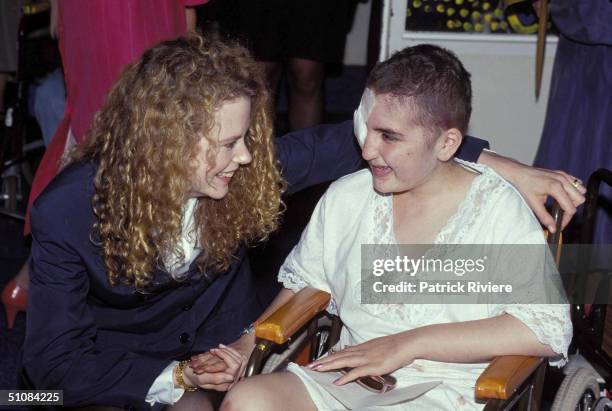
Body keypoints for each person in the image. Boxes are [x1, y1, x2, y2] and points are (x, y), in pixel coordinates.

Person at [23, 34, 584, 410]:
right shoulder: (68, 213)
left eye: (248, 139)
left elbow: (374, 136)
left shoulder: (242, 173)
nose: (247, 158)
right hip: (102, 374)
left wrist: (504, 166)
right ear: (167, 145)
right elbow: (52, 363)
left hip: (223, 366)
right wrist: (182, 375)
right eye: (229, 143)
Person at [218, 45, 574, 410]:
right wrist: (248, 342)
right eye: (364, 127)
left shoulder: (496, 211)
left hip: (447, 391)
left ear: (447, 143)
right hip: (349, 379)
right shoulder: (348, 198)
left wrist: (409, 343)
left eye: (388, 136)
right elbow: (308, 282)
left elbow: (545, 328)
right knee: (248, 400)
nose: (368, 149)